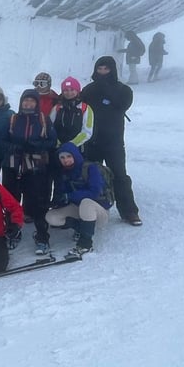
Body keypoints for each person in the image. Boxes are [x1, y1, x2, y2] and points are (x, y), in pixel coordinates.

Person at [81, 56, 142, 225]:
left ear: (112, 70)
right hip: (92, 141)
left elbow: (122, 105)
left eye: (106, 69)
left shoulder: (124, 90)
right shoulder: (88, 90)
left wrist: (106, 89)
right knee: (91, 176)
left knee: (119, 176)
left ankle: (129, 211)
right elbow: (79, 108)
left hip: (113, 142)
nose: (102, 72)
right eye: (99, 69)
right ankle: (88, 212)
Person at [3, 89, 57, 253]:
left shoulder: (43, 119)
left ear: (37, 103)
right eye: (25, 101)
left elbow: (52, 141)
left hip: (34, 163)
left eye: (31, 101)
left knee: (36, 199)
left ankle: (42, 235)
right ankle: (12, 231)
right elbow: (3, 139)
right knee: (11, 198)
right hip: (13, 163)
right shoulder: (13, 118)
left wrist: (38, 146)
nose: (28, 104)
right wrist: (12, 146)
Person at [46, 143, 112, 257]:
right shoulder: (64, 173)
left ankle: (85, 244)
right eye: (62, 157)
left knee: (86, 203)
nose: (66, 160)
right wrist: (56, 201)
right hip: (79, 209)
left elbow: (95, 192)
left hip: (98, 211)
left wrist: (70, 196)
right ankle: (83, 228)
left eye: (68, 156)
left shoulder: (91, 168)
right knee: (51, 217)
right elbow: (64, 195)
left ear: (75, 155)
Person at [50, 76, 94, 148]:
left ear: (77, 91)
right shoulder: (57, 108)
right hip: (57, 147)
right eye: (66, 90)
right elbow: (50, 127)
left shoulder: (85, 108)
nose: (69, 93)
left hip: (77, 148)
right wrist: (57, 142)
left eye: (72, 90)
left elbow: (87, 132)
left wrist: (71, 145)